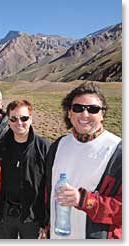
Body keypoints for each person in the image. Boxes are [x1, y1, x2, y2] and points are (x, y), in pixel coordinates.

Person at [45, 81, 122, 239]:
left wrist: (84, 200)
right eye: (78, 108)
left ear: (102, 115)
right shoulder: (58, 145)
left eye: (93, 109)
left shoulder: (119, 152)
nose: (84, 115)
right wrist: (46, 225)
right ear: (69, 113)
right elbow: (48, 191)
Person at [0, 99, 50, 239]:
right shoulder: (0, 147)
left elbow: (49, 185)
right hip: (5, 213)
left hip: (33, 216)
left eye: (24, 118)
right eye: (13, 118)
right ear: (8, 121)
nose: (19, 123)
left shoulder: (44, 147)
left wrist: (46, 219)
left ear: (31, 119)